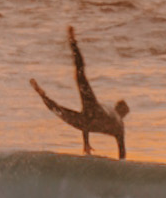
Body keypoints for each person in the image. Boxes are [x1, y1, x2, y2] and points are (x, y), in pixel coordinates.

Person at [31, 26, 130, 159]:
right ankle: (72, 43)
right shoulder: (119, 127)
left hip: (88, 118)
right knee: (59, 108)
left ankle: (73, 43)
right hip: (92, 117)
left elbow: (87, 119)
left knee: (79, 76)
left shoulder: (113, 113)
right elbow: (122, 152)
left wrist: (86, 142)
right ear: (124, 113)